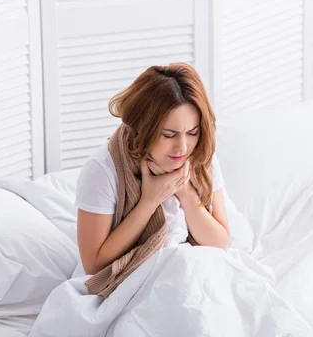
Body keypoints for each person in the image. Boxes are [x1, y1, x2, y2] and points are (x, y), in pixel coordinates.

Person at [74, 63, 230, 278]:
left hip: (192, 269)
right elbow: (93, 265)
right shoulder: (102, 170)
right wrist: (149, 202)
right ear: (143, 128)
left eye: (192, 132)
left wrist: (184, 191)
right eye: (168, 135)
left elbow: (219, 242)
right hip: (136, 277)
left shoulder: (201, 157)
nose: (182, 148)